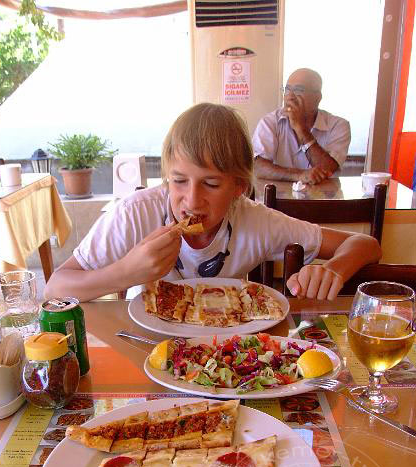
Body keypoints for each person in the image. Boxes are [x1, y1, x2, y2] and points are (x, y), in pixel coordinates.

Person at [44, 103, 380, 303]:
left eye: (211, 183)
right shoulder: (135, 215)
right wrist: (126, 272)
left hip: (222, 351)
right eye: (178, 181)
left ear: (238, 187)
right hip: (144, 350)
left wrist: (333, 270)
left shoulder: (255, 221)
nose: (190, 200)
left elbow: (365, 244)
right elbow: (54, 289)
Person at [252, 68, 350, 185]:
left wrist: (301, 129)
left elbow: (326, 169)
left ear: (317, 97)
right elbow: (257, 167)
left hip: (322, 201)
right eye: (287, 89)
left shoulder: (338, 126)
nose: (290, 97)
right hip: (278, 200)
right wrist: (300, 175)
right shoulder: (270, 122)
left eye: (299, 90)